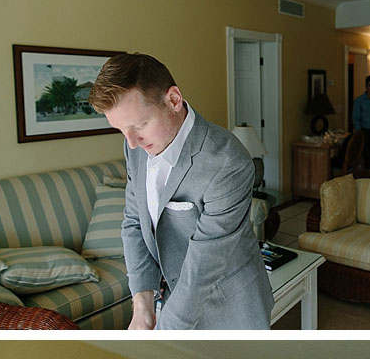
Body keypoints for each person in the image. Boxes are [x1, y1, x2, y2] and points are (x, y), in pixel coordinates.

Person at [89, 53, 273, 330]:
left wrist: (164, 334)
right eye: (121, 130)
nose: (132, 142)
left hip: (231, 308)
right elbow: (134, 222)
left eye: (140, 125)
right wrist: (142, 306)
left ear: (173, 100)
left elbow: (203, 268)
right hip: (172, 297)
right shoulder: (134, 147)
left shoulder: (227, 162)